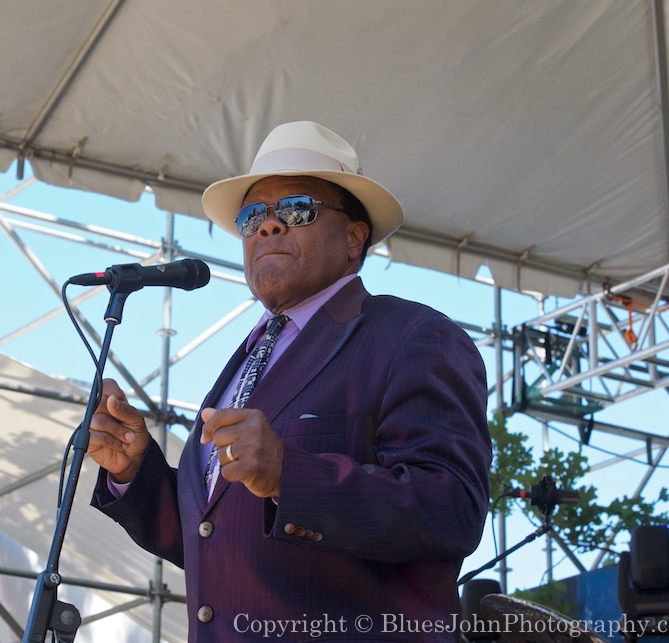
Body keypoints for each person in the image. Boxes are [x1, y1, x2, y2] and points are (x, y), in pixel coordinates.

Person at [89, 121, 491, 641]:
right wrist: (136, 470)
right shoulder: (247, 359)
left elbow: (450, 509)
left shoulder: (412, 335)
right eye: (253, 216)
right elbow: (213, 537)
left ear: (353, 239)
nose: (269, 227)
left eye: (297, 209)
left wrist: (290, 475)